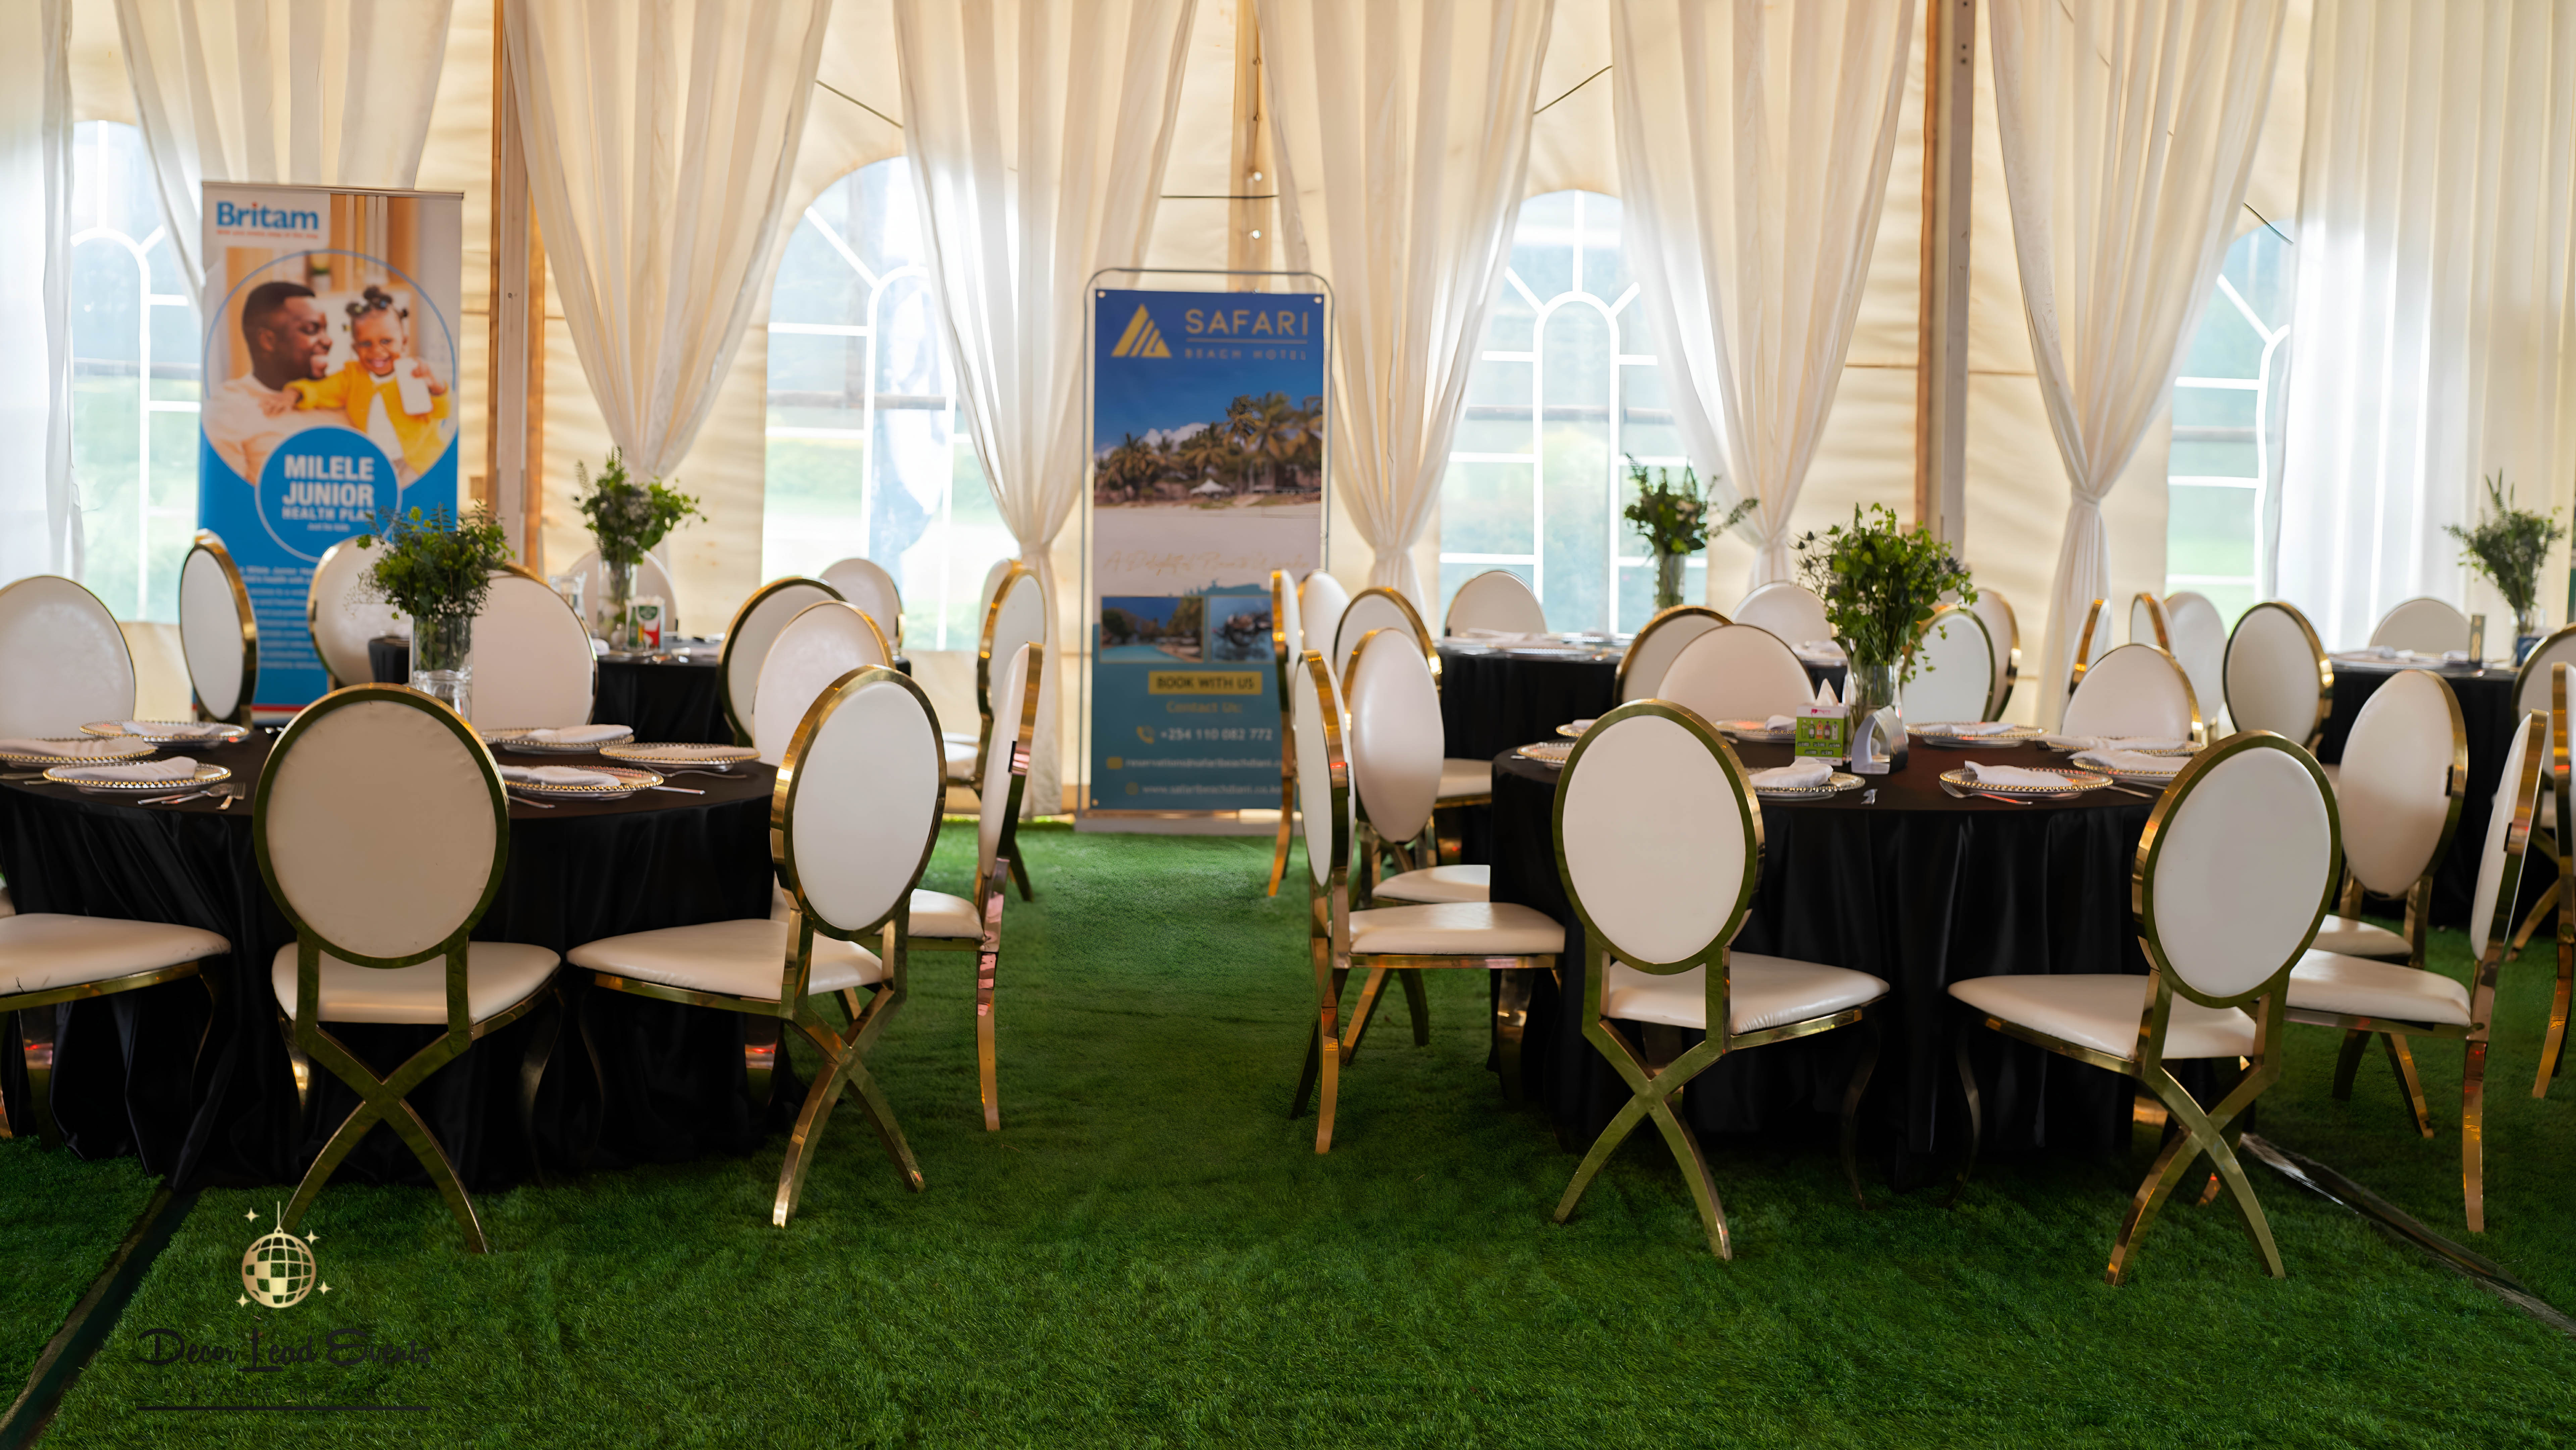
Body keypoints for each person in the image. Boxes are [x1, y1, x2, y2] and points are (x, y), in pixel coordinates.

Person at [260, 285, 452, 483]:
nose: (377, 351)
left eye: (386, 341)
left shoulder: (414, 372)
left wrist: (436, 387)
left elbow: (442, 413)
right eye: (366, 344)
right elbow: (321, 389)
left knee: (411, 502)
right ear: (355, 347)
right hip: (375, 462)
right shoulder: (352, 376)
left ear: (404, 342)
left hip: (417, 460)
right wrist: (293, 394)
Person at [200, 280, 334, 483]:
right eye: (311, 330)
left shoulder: (340, 394)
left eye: (325, 330)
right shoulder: (229, 408)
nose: (327, 341)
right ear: (268, 341)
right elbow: (231, 499)